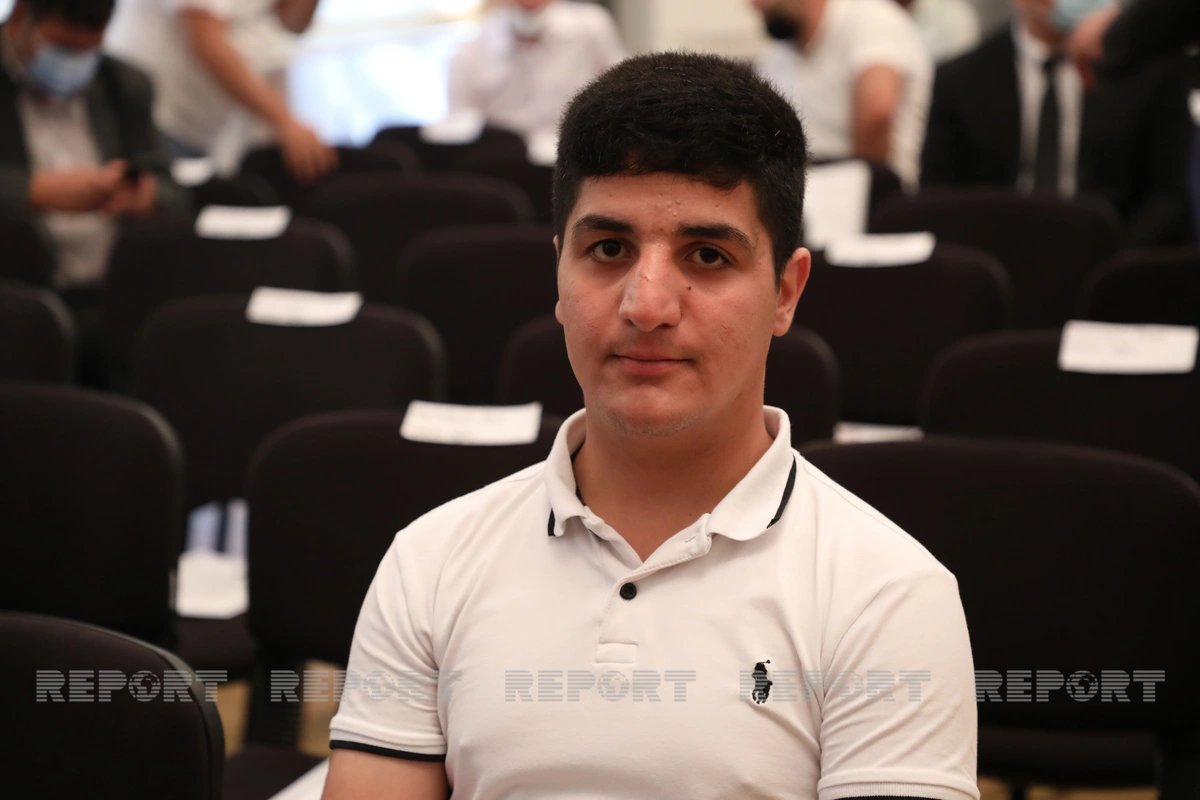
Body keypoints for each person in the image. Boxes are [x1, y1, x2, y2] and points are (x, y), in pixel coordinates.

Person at [321, 52, 979, 800]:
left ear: (785, 293)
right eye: (609, 249)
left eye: (707, 255)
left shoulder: (888, 594)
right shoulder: (431, 560)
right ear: (559, 275)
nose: (647, 305)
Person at [0, 0, 188, 386]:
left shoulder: (124, 85)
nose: (73, 63)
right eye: (62, 47)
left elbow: (176, 193)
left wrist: (147, 198)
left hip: (111, 300)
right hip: (15, 302)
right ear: (19, 18)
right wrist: (33, 191)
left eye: (87, 50)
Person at [921, 0, 1193, 246]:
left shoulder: (1147, 72)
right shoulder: (961, 79)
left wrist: (1113, 254)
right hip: (995, 255)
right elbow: (938, 196)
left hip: (1110, 257)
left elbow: (1171, 192)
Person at [103, 0, 335, 180]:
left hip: (197, 128)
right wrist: (285, 122)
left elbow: (292, 23)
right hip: (155, 117)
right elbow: (206, 41)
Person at [752, 0, 933, 188]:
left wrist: (853, 192)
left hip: (870, 195)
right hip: (809, 193)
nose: (754, 5)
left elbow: (878, 115)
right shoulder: (774, 56)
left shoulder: (873, 21)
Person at [441, 0, 624, 155]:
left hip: (574, 155)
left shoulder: (590, 27)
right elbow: (458, 122)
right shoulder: (469, 49)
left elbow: (619, 90)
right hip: (503, 160)